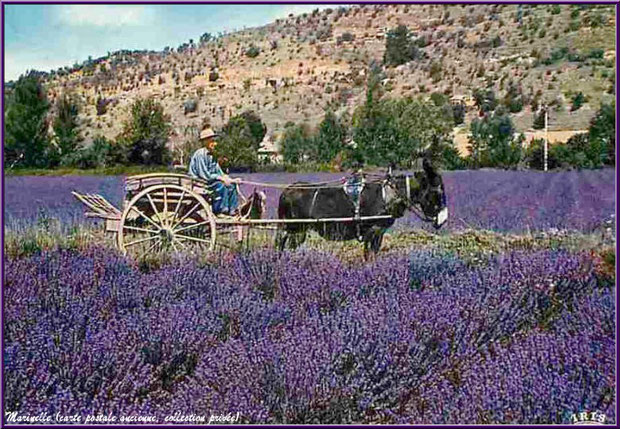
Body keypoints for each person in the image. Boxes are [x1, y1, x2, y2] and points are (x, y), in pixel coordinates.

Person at [189, 126, 241, 216]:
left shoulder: (212, 155)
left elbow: (218, 171)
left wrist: (231, 179)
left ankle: (232, 210)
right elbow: (204, 175)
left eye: (214, 141)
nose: (215, 144)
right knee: (221, 186)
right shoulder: (200, 154)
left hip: (210, 181)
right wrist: (220, 178)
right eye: (212, 141)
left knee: (232, 186)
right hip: (201, 182)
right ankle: (220, 210)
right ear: (205, 142)